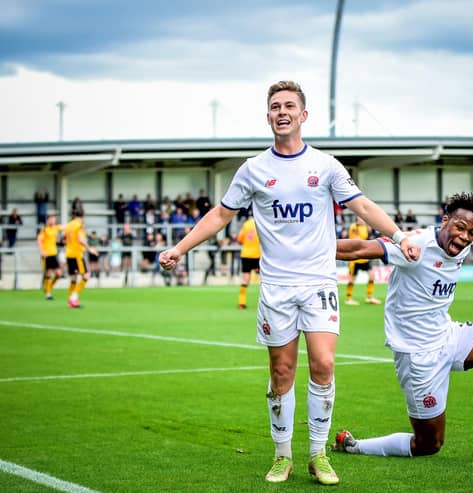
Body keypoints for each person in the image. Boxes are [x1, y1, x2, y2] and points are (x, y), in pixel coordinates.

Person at [158, 80, 418, 485]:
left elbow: (362, 205)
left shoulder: (327, 165)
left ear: (303, 115)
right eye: (275, 106)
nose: (282, 112)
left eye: (289, 106)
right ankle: (283, 456)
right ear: (268, 117)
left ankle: (317, 454)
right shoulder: (254, 169)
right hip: (276, 288)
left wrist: (400, 237)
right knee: (281, 372)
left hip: (317, 283)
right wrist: (180, 247)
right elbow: (219, 216)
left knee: (324, 364)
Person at [333, 192, 473, 461]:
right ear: (445, 220)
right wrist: (304, 248)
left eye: (472, 232)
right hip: (418, 355)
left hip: (448, 334)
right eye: (460, 228)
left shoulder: (464, 246)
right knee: (429, 444)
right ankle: (354, 445)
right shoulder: (416, 244)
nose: (464, 237)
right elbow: (359, 249)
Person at [344, 216, 381, 305]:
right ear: (357, 219)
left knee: (372, 276)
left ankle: (370, 297)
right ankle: (348, 299)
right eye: (360, 219)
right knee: (352, 279)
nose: (362, 220)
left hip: (363, 257)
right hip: (354, 258)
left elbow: (369, 238)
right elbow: (357, 240)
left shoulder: (366, 228)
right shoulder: (354, 227)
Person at [64, 210, 96, 308]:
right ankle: (73, 298)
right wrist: (89, 248)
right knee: (86, 276)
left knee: (73, 278)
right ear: (81, 217)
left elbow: (65, 239)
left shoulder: (68, 225)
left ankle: (70, 301)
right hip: (77, 254)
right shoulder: (79, 225)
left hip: (69, 254)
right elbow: (80, 239)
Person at [36, 214, 64, 300]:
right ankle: (48, 294)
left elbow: (66, 227)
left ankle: (48, 287)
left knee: (59, 274)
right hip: (47, 254)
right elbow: (39, 241)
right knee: (48, 273)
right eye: (52, 219)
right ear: (47, 220)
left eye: (54, 219)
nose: (53, 221)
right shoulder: (44, 230)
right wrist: (42, 251)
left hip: (54, 254)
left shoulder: (56, 228)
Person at [237, 215, 261, 309]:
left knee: (245, 280)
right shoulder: (260, 223)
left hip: (246, 254)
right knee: (264, 280)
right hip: (257, 254)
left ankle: (241, 303)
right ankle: (267, 302)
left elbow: (240, 239)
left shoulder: (246, 224)